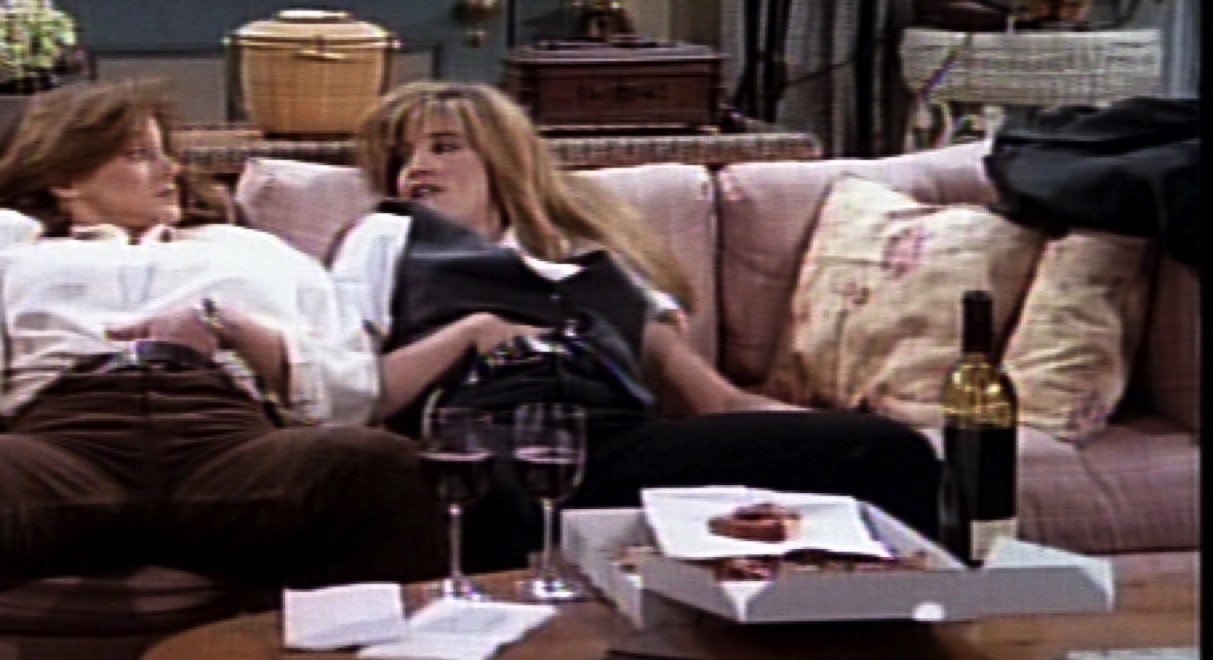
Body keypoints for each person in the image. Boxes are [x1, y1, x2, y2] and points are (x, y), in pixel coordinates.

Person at [0, 80, 444, 660]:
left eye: (166, 154)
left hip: (229, 443)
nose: (170, 170)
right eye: (139, 155)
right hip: (64, 446)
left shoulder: (251, 251)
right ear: (64, 177)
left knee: (385, 466)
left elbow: (349, 391)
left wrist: (226, 325)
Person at [331, 81, 944, 570]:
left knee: (887, 451)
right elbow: (354, 394)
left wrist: (828, 428)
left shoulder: (593, 264)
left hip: (615, 447)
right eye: (400, 157)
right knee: (499, 505)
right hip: (486, 447)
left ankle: (931, 630)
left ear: (501, 159)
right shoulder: (387, 235)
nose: (415, 168)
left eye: (443, 147)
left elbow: (716, 401)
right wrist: (471, 331)